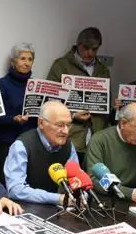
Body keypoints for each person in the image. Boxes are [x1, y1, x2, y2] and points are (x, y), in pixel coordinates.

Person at [47, 27, 111, 164]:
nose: (90, 53)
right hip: (70, 136)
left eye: (94, 49)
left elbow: (107, 102)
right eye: (86, 48)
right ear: (78, 44)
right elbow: (50, 101)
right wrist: (73, 114)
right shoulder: (61, 65)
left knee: (91, 180)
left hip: (96, 137)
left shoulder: (103, 70)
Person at [4, 101, 78, 205]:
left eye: (69, 125)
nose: (66, 131)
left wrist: (81, 194)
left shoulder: (69, 146)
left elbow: (76, 180)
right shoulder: (22, 145)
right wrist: (58, 199)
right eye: (60, 125)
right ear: (41, 123)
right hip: (26, 209)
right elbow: (15, 189)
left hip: (59, 209)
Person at [0, 43, 38, 181]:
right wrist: (13, 119)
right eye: (22, 58)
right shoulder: (1, 84)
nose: (26, 63)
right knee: (8, 183)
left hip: (31, 143)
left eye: (30, 59)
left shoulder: (37, 86)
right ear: (13, 61)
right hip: (7, 143)